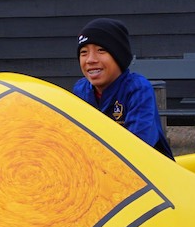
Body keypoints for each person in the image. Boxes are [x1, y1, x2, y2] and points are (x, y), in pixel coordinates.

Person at [72, 17, 174, 160]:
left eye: (101, 50)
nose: (90, 59)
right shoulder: (81, 90)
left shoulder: (137, 89)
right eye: (84, 52)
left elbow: (138, 147)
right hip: (98, 171)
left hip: (148, 174)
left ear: (118, 55)